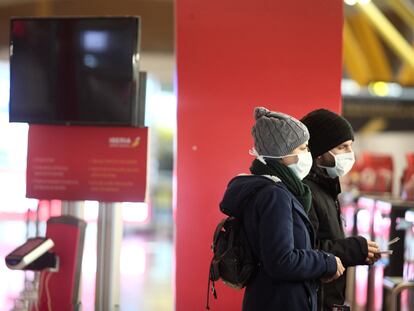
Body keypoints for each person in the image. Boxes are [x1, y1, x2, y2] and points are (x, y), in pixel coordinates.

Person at [219, 107, 345, 311]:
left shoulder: (272, 189)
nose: (308, 154)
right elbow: (281, 261)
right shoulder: (274, 195)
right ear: (281, 153)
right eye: (303, 148)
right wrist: (326, 262)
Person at [301, 109, 381, 311]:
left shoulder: (326, 188)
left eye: (350, 146)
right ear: (320, 151)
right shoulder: (306, 192)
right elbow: (303, 252)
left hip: (327, 300)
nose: (350, 154)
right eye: (342, 147)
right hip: (312, 301)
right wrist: (353, 249)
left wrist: (359, 253)